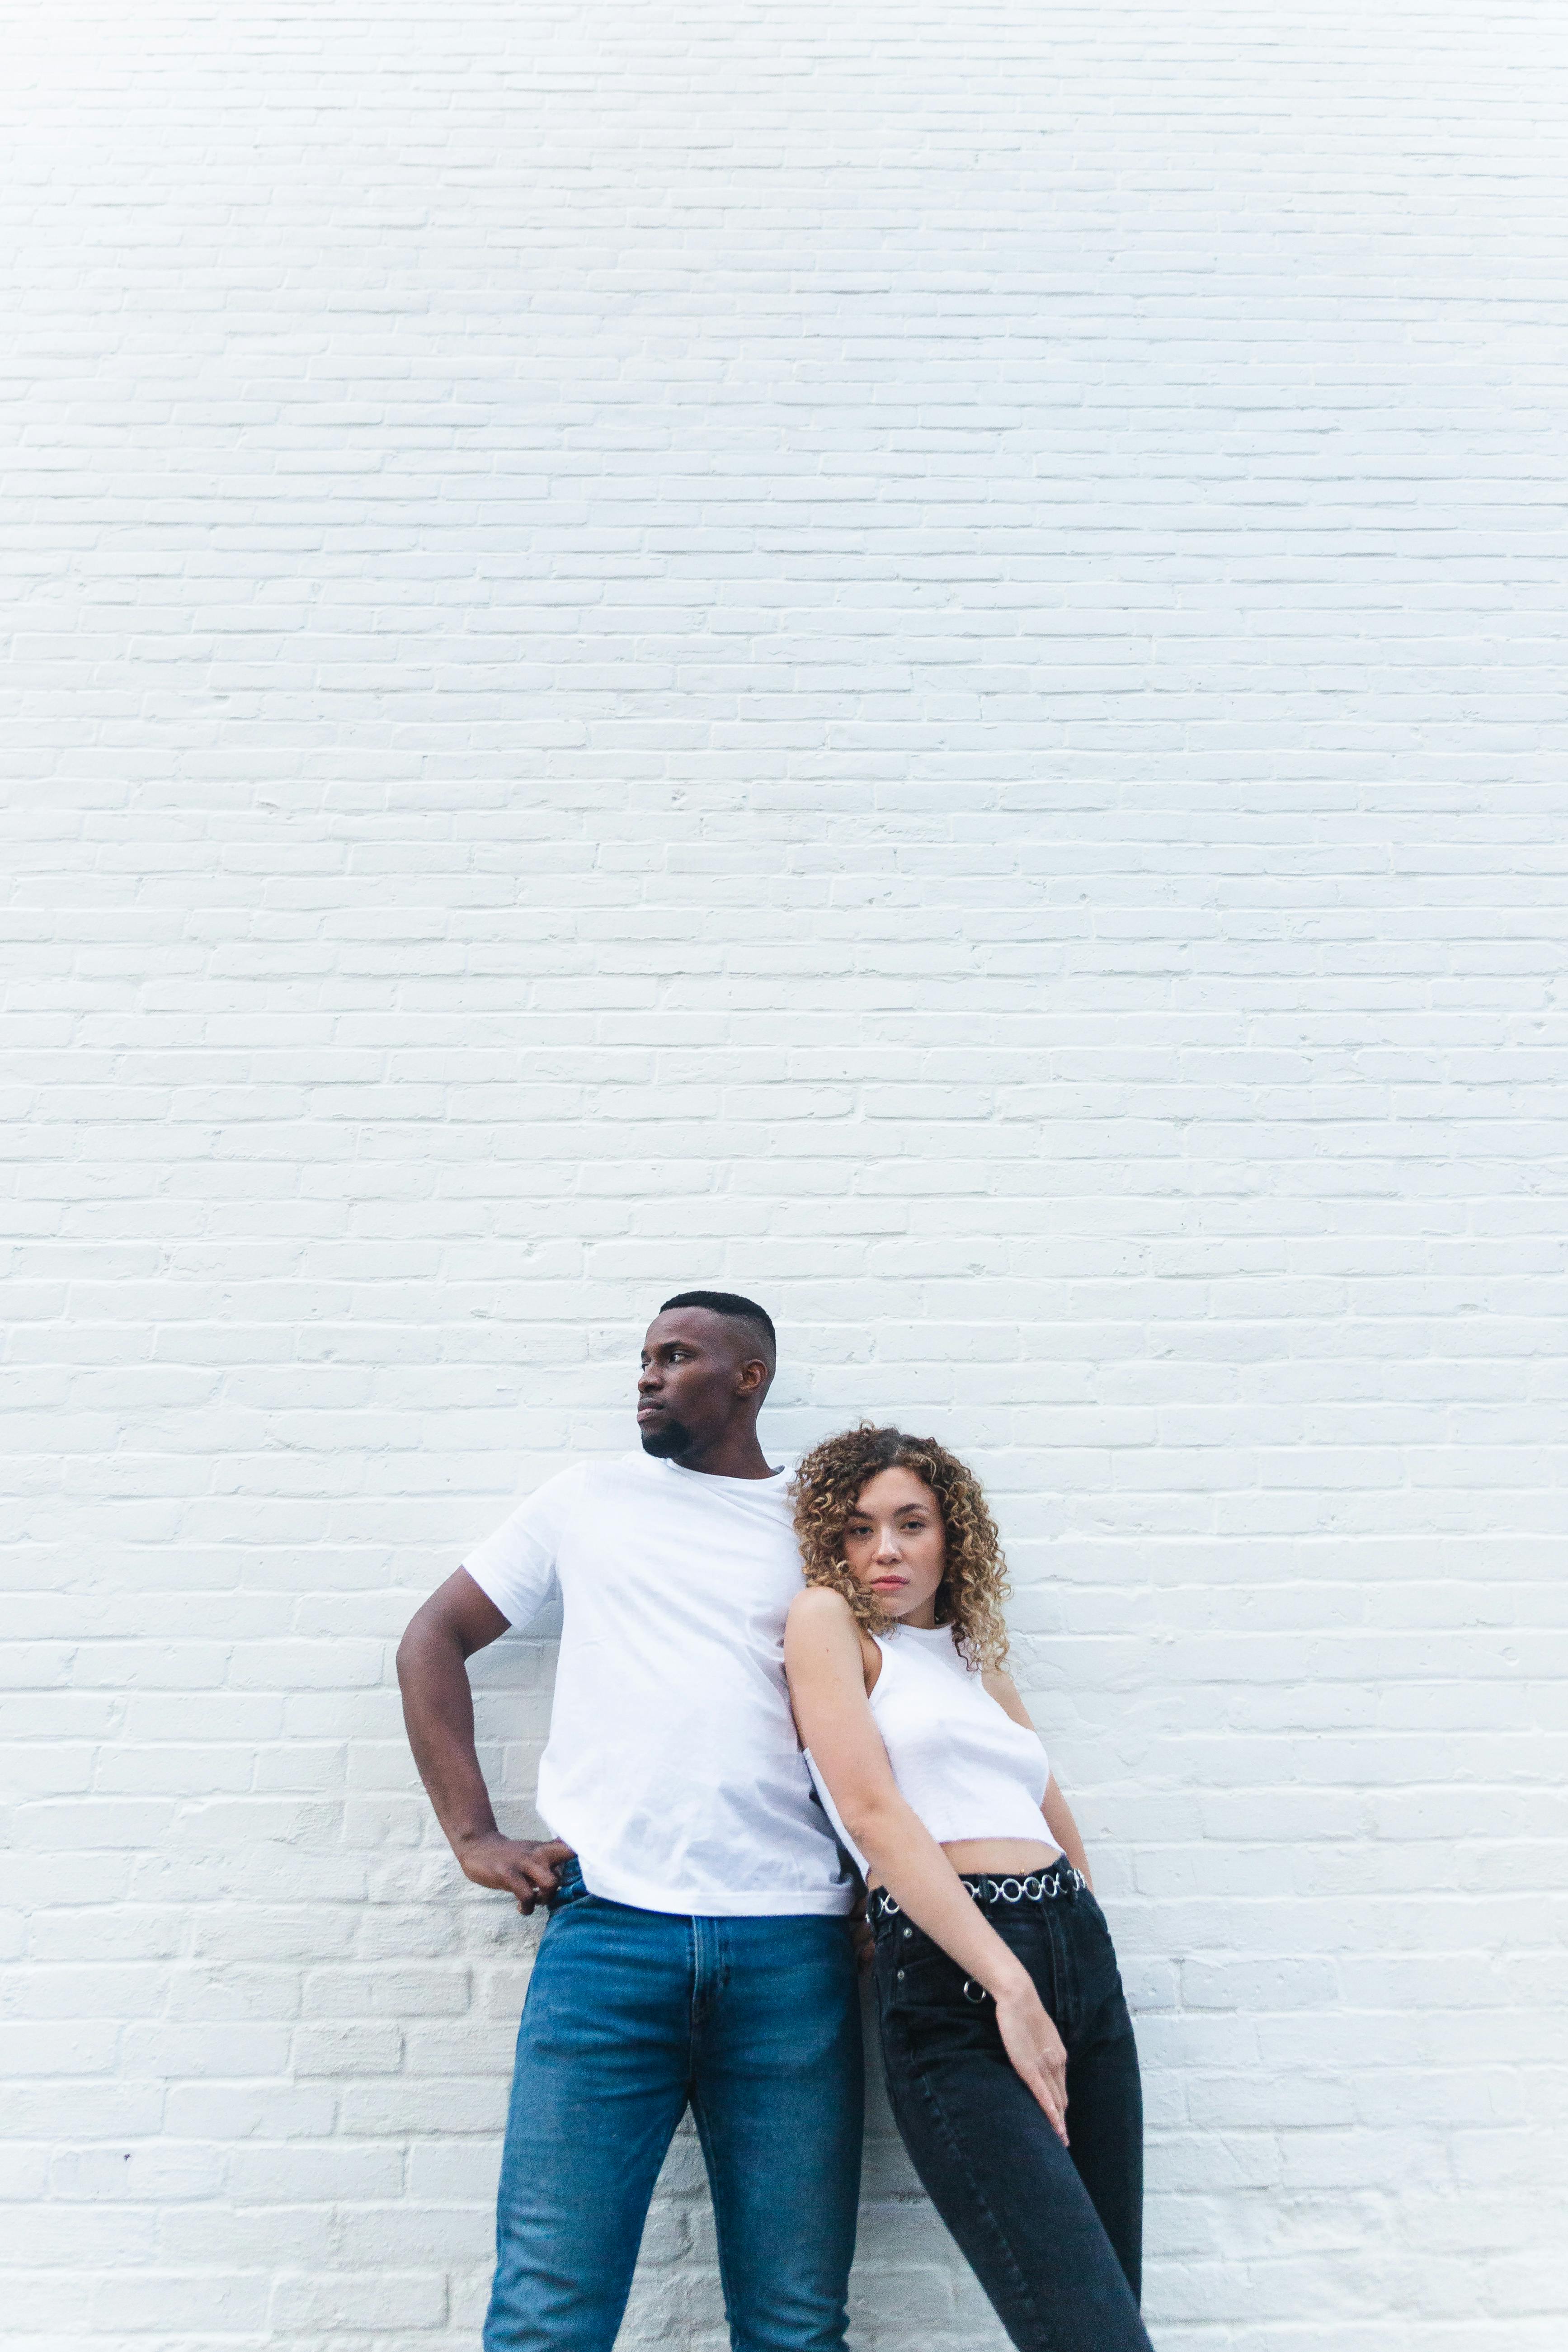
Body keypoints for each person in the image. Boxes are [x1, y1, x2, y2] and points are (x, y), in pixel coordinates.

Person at [396, 1293, 862, 2352]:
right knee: (548, 2317)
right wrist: (474, 1834)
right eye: (644, 1358)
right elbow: (433, 1637)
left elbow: (893, 1708)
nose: (648, 1375)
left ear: (750, 1377)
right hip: (607, 1938)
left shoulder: (820, 1522)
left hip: (793, 1949)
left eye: (677, 1356)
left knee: (795, 2325)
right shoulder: (586, 1499)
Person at [785, 1425, 1154, 2352]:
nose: (886, 1550)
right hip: (958, 1972)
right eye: (861, 1528)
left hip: (1068, 1949)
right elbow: (872, 1812)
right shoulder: (828, 1623)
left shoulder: (970, 1653)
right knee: (1090, 2330)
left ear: (952, 1535)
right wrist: (1008, 1983)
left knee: (1113, 2297)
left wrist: (1074, 1945)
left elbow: (1047, 1810)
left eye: (911, 1523)